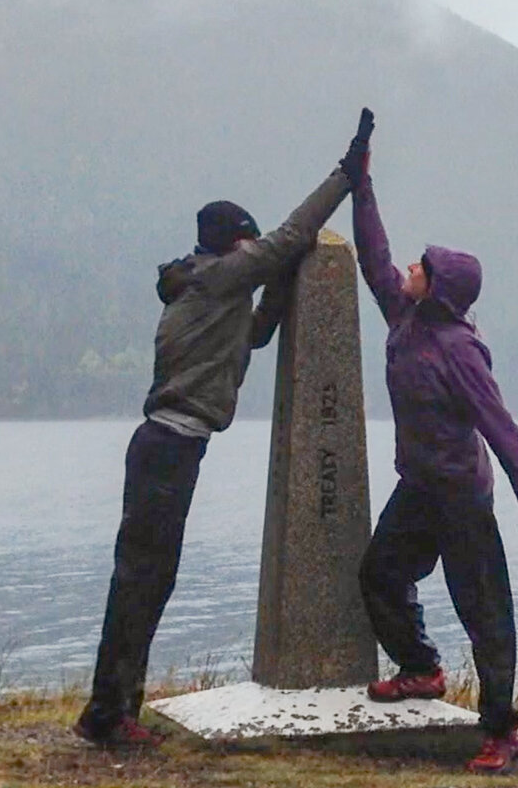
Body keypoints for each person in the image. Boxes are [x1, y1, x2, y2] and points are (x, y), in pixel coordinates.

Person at [74, 119, 368, 747]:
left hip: (171, 446)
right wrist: (346, 174)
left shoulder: (211, 293)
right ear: (234, 246)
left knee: (150, 577)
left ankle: (113, 708)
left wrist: (285, 287)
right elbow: (291, 236)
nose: (256, 252)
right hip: (167, 446)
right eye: (250, 246)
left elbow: (256, 333)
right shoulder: (213, 278)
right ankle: (108, 714)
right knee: (142, 580)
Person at [346, 111, 518, 775]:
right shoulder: (405, 316)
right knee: (380, 573)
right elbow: (374, 257)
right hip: (419, 486)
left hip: (463, 498)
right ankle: (421, 669)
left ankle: (505, 730)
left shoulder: (460, 350)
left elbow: (499, 424)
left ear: (438, 288)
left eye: (424, 266)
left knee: (485, 613)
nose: (409, 266)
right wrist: (362, 184)